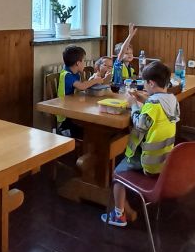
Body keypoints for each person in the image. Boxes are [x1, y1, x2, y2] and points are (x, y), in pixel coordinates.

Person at [102, 61, 179, 227]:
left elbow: (139, 124)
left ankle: (119, 215)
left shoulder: (152, 105)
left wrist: (133, 105)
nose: (144, 85)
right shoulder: (172, 100)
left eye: (144, 82)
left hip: (150, 161)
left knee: (117, 174)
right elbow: (158, 108)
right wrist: (144, 99)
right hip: (166, 158)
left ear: (151, 83)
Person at [55, 44, 112, 137]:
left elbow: (83, 86)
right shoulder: (67, 75)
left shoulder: (74, 72)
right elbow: (82, 86)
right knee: (91, 127)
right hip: (66, 114)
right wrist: (96, 80)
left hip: (73, 106)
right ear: (78, 63)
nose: (85, 63)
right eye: (84, 61)